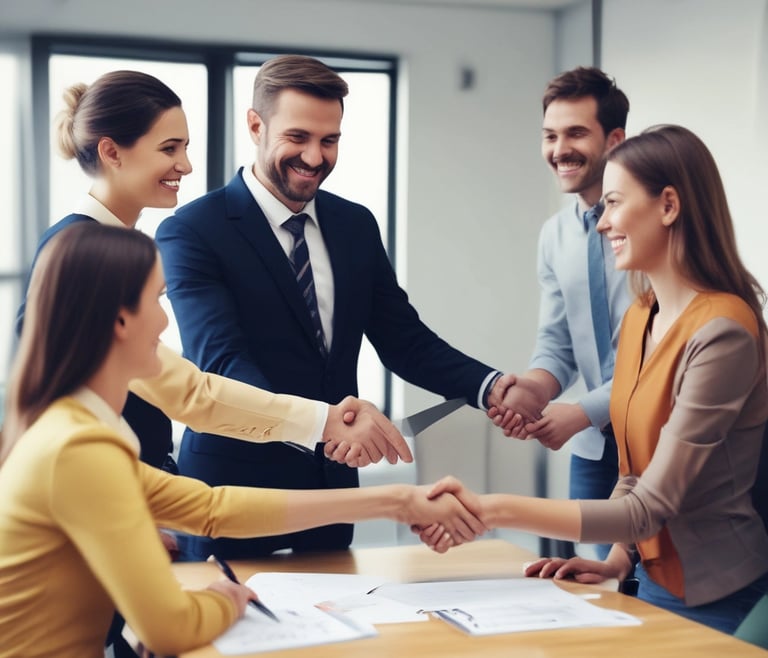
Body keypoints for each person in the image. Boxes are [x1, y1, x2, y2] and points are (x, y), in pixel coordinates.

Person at [0, 222, 485, 658]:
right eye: (156, 301)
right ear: (120, 322)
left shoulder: (75, 433)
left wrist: (398, 500)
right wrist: (223, 598)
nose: (166, 322)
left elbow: (212, 507)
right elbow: (169, 627)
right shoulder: (77, 449)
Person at [420, 125, 768, 634]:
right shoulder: (641, 317)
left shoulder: (724, 332)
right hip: (649, 584)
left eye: (613, 203)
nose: (602, 223)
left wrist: (488, 508)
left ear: (668, 205)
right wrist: (615, 560)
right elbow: (634, 475)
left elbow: (652, 506)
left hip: (718, 595)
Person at [155, 54, 505, 559]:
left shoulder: (355, 224)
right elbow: (223, 363)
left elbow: (403, 339)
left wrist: (490, 387)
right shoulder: (191, 231)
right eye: (297, 138)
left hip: (332, 493)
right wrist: (324, 426)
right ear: (256, 125)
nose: (315, 157)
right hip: (234, 494)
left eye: (330, 140)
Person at [16, 69, 413, 473]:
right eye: (169, 149)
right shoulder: (81, 251)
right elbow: (189, 395)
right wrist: (325, 422)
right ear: (112, 153)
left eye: (185, 147)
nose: (185, 166)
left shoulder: (113, 247)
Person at [487, 67, 632, 560]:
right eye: (550, 135)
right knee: (600, 582)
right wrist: (533, 390)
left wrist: (580, 411)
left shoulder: (652, 228)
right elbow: (558, 342)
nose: (559, 149)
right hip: (593, 449)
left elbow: (662, 357)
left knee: (654, 587)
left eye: (575, 133)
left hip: (659, 437)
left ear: (615, 140)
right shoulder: (555, 234)